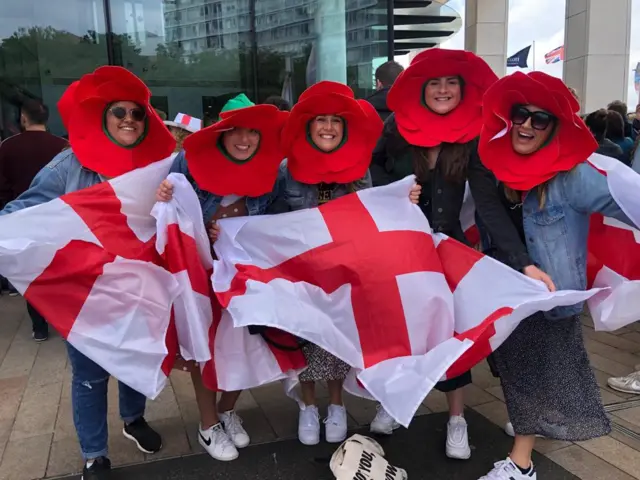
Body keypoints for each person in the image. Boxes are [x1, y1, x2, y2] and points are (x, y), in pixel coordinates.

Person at [0, 66, 176, 479]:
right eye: (120, 112)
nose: (129, 120)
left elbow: (180, 213)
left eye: (137, 113)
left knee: (136, 354)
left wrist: (172, 196)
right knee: (90, 375)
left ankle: (133, 419)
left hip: (139, 282)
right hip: (88, 292)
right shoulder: (67, 165)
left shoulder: (160, 164)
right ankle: (95, 454)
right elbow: (21, 212)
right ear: (103, 117)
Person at [475, 71, 635, 480]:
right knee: (520, 370)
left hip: (549, 297)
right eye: (520, 115)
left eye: (540, 118)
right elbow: (487, 216)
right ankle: (529, 427)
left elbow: (628, 202)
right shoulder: (491, 163)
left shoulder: (573, 176)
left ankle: (521, 462)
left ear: (555, 129)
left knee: (534, 371)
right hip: (502, 289)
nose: (527, 124)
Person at [371, 48, 503, 460]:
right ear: (420, 89)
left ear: (463, 91)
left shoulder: (474, 133)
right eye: (434, 83)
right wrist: (392, 192)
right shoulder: (394, 128)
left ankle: (457, 418)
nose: (443, 90)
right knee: (401, 330)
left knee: (452, 333)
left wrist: (519, 262)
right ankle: (395, 401)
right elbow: (370, 167)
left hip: (451, 250)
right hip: (402, 250)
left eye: (451, 83)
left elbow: (487, 199)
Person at [156, 94, 289, 462]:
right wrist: (167, 194)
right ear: (220, 133)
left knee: (249, 342)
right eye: (235, 131)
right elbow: (167, 209)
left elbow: (279, 221)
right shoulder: (187, 160)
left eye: (252, 132)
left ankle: (229, 409)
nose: (244, 139)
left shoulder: (274, 169)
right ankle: (208, 423)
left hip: (245, 272)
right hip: (202, 272)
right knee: (207, 346)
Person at [278, 80, 383, 446]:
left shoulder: (360, 167)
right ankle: (308, 406)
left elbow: (369, 212)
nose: (327, 127)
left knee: (337, 337)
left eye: (335, 121)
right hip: (300, 272)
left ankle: (336, 405)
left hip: (341, 271)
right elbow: (269, 218)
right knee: (303, 337)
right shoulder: (287, 169)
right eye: (320, 119)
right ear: (308, 126)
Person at [0, 99, 67, 323]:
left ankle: (39, 326)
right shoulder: (62, 147)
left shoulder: (8, 146)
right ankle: (60, 316)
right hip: (56, 218)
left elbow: (2, 185)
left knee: (32, 271)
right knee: (56, 267)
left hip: (21, 217)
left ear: (23, 118)